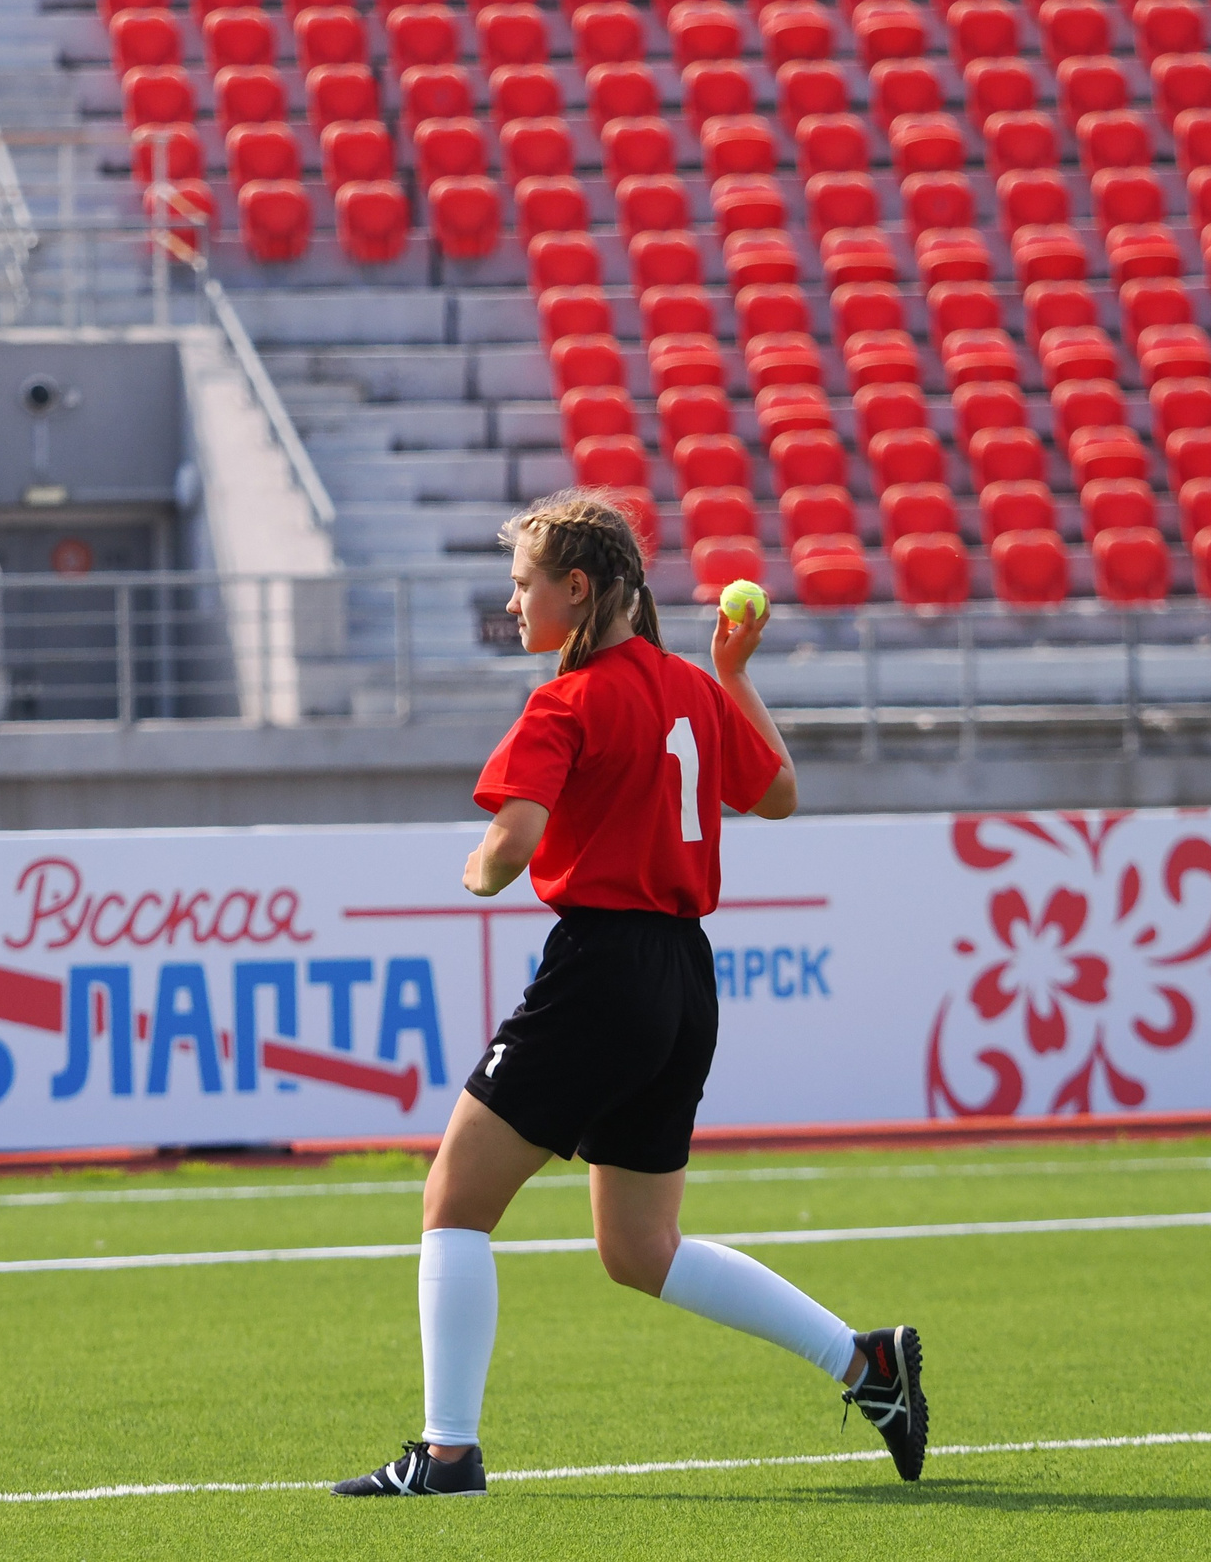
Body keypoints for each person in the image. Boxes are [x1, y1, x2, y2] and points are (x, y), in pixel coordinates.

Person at [334, 491, 925, 1498]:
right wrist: (734, 677)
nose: (513, 605)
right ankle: (864, 1362)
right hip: (683, 977)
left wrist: (477, 867)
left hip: (601, 970)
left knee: (453, 1200)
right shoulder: (692, 688)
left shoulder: (564, 702)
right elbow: (780, 794)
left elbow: (511, 848)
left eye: (523, 585)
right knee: (640, 1248)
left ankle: (447, 1453)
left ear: (577, 588)